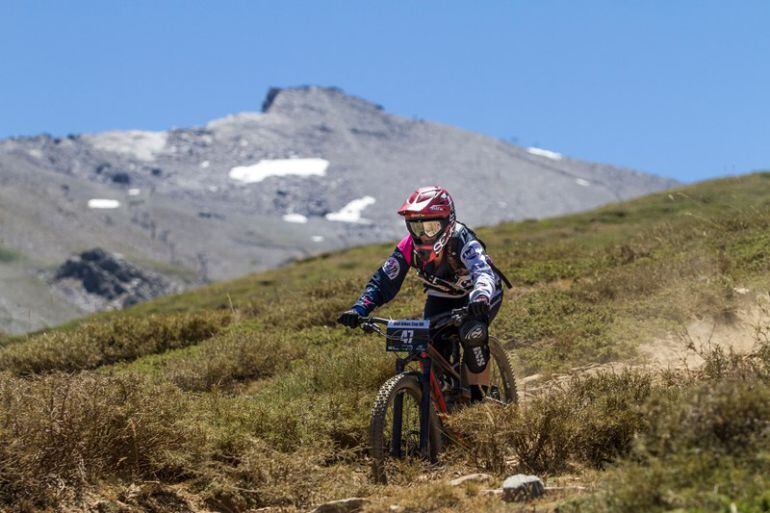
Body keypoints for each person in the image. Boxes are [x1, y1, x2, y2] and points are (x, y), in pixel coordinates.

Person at [337, 186, 510, 400]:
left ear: (448, 222)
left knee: (472, 333)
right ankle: (445, 404)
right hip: (441, 298)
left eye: (430, 227)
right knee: (431, 349)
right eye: (416, 227)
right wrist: (359, 308)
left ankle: (480, 399)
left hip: (478, 295)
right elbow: (383, 281)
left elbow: (483, 273)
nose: (423, 236)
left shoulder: (463, 240)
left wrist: (481, 296)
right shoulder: (408, 247)